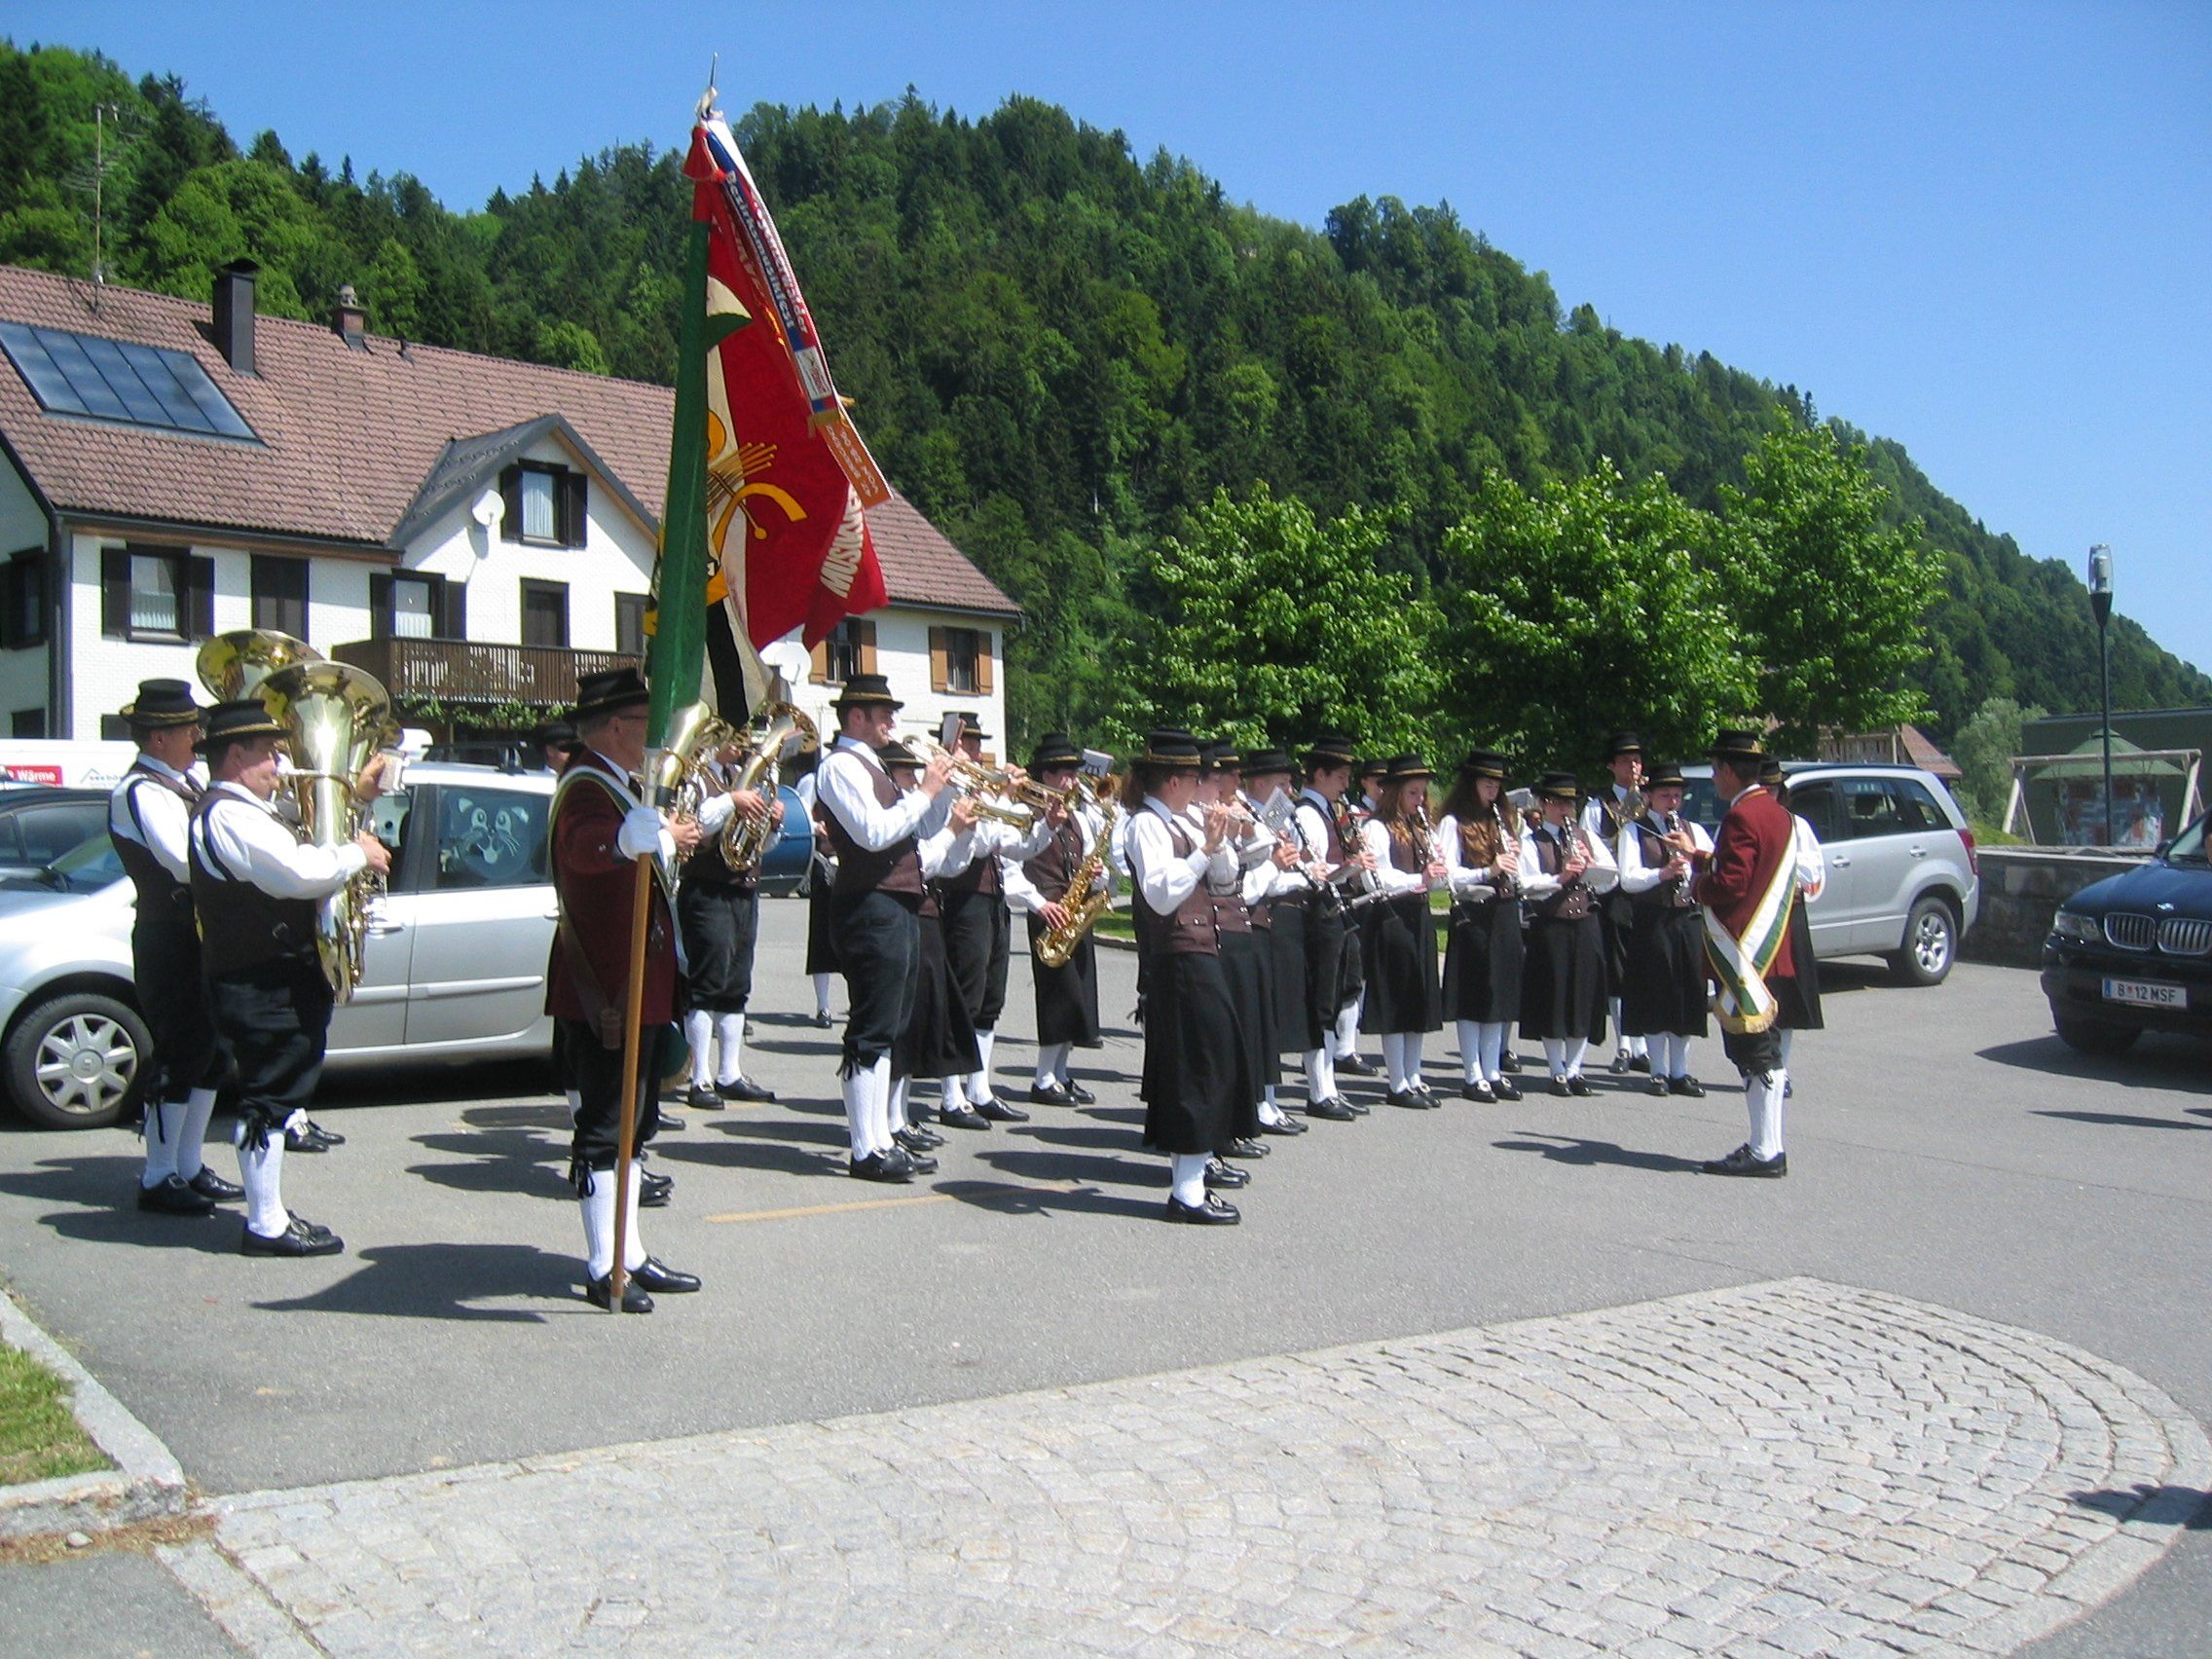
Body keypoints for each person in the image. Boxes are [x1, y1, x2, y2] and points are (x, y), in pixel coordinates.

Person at [189, 699, 391, 1257]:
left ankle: (269, 1214)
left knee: (274, 1095)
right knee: (268, 1098)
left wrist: (357, 803)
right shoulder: (231, 815)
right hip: (260, 979)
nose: (279, 765)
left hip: (267, 974)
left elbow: (307, 847)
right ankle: (265, 1223)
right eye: (268, 754)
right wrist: (358, 854)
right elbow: (298, 874)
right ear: (236, 756)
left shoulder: (246, 810)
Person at [545, 667, 704, 1309]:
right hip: (606, 988)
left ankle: (629, 1252)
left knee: (635, 1129)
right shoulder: (586, 785)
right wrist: (620, 840)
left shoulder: (619, 783)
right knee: (606, 1130)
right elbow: (582, 848)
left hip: (639, 982)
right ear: (616, 726)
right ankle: (601, 1265)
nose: (655, 736)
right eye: (646, 723)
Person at [815, 673, 954, 1182]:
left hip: (895, 904)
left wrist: (946, 815)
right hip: (869, 906)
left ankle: (881, 1139)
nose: (892, 723)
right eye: (884, 714)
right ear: (857, 716)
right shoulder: (839, 766)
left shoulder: (875, 765)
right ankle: (864, 1148)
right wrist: (926, 793)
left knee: (891, 1027)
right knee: (872, 1028)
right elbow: (873, 834)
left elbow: (903, 841)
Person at [109, 680, 235, 1215]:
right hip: (169, 937)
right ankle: (158, 1175)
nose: (198, 738)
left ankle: (187, 1165)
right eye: (190, 730)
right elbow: (182, 860)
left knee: (212, 1052)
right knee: (179, 1051)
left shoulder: (185, 783)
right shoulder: (141, 791)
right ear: (159, 738)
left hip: (199, 935)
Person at [1124, 730, 1248, 1224]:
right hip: (1177, 957)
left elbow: (1225, 880)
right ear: (1174, 781)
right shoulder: (1146, 825)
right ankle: (1187, 1193)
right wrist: (1204, 849)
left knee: (1207, 1063)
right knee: (1196, 1069)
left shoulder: (1183, 820)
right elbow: (1160, 895)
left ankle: (1191, 1184)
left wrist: (1219, 842)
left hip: (1199, 952)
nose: (1203, 787)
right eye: (1196, 778)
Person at [1667, 730, 1803, 1177]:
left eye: (1715, 769)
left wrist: (1697, 887)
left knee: (1754, 1054)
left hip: (1746, 954)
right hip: (1771, 950)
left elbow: (1733, 883)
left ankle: (1765, 1150)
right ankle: (1768, 1144)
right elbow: (1748, 869)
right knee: (1766, 1052)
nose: (1713, 777)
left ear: (1728, 770)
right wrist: (1699, 857)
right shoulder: (1779, 814)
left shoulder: (1741, 816)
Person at [939, 718, 1048, 1123]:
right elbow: (981, 841)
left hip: (993, 897)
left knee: (989, 1000)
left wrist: (1046, 822)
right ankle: (951, 1096)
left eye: (978, 745)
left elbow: (1014, 846)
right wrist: (1003, 797)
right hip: (963, 896)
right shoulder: (950, 789)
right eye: (967, 745)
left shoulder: (981, 790)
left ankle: (979, 1087)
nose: (976, 753)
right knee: (965, 996)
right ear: (951, 747)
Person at [1001, 734, 1108, 1105]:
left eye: (1074, 773)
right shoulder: (1024, 814)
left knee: (1078, 997)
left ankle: (1061, 1073)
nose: (1072, 780)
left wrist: (1097, 875)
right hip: (1048, 911)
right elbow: (1010, 869)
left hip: (1076, 910)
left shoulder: (1080, 817)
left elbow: (1094, 863)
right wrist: (1038, 904)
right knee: (1057, 997)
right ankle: (1043, 1078)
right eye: (1065, 773)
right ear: (1046, 775)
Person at [676, 736, 778, 1109]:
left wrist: (772, 822)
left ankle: (729, 1073)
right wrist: (732, 800)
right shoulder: (695, 778)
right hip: (707, 889)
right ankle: (699, 1077)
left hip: (742, 889)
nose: (742, 745)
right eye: (734, 738)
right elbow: (696, 825)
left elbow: (761, 845)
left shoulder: (741, 776)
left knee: (737, 983)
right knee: (707, 982)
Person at [1288, 733, 1374, 1122]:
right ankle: (1319, 1091)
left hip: (1333, 912)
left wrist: (1354, 866)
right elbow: (1314, 872)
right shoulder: (1308, 813)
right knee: (1321, 1003)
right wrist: (1348, 868)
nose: (1345, 784)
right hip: (1318, 916)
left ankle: (1329, 1087)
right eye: (1340, 777)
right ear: (1319, 774)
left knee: (1336, 997)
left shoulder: (1326, 810)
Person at [1614, 761, 1713, 1097]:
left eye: (1676, 796)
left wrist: (1692, 869)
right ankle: (1657, 1071)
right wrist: (1662, 873)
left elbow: (1712, 867)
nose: (1672, 802)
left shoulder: (1693, 831)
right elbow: (1628, 879)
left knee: (1686, 993)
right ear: (1650, 797)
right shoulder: (1635, 831)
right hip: (1653, 919)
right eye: (1665, 795)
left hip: (1687, 919)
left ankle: (1680, 1071)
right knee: (1656, 993)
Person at [1519, 770, 1618, 1094]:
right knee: (1555, 994)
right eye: (1559, 803)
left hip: (1586, 923)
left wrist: (1592, 868)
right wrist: (1559, 878)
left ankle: (1575, 1069)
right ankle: (1556, 1070)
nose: (1565, 810)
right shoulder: (1531, 841)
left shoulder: (1586, 837)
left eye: (1569, 804)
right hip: (1551, 925)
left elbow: (1612, 879)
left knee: (1583, 995)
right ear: (1545, 805)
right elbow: (1525, 885)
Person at [1356, 756, 1448, 1107]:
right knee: (1396, 1000)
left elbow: (1435, 880)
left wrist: (1437, 873)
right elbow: (1375, 879)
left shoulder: (1420, 828)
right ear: (1394, 792)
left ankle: (1414, 1076)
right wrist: (1418, 879)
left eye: (1422, 793)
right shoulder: (1376, 828)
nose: (1420, 800)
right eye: (1412, 793)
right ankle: (1397, 1082)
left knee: (1417, 997)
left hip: (1418, 916)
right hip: (1391, 917)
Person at [1437, 749, 1526, 1103]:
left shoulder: (1501, 819)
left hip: (1503, 911)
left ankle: (1493, 1070)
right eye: (1486, 782)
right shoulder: (1453, 822)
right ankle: (1473, 1073)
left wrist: (1514, 860)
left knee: (1498, 994)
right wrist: (1488, 870)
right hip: (1473, 912)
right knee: (1473, 995)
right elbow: (1447, 875)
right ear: (1471, 783)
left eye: (1497, 783)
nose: (1493, 788)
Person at [1238, 747, 1310, 1137]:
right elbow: (1251, 883)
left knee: (1266, 1016)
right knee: (1255, 1016)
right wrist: (1280, 866)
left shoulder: (1270, 817)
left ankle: (1267, 1100)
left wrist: (1304, 873)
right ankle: (1257, 1103)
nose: (1289, 791)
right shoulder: (1247, 819)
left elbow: (1275, 878)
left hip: (1267, 919)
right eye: (1282, 784)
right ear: (1261, 783)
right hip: (1247, 922)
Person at [1581, 731, 1647, 1075]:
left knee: (1645, 967)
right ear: (1611, 766)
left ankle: (1643, 1046)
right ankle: (1624, 1045)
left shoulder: (1652, 800)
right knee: (1619, 969)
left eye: (1636, 760)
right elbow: (1588, 848)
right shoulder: (1597, 806)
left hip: (1649, 893)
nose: (1632, 766)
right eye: (1624, 761)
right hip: (1616, 894)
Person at [1762, 758, 1825, 1096]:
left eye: (1772, 789)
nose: (1767, 795)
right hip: (1758, 923)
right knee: (1760, 997)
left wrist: (1781, 867)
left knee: (1788, 999)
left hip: (1789, 917)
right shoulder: (1741, 824)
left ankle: (1782, 1069)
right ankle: (1762, 1065)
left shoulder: (1797, 826)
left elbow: (1814, 871)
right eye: (1762, 789)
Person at [1333, 757, 1388, 1079]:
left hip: (1382, 897)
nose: (1383, 789)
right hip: (1357, 898)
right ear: (1365, 782)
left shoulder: (1392, 816)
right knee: (1353, 973)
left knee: (1365, 973)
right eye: (1378, 782)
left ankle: (1348, 1042)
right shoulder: (1352, 813)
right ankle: (1344, 1047)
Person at [792, 755, 838, 1027]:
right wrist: (815, 826)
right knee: (822, 937)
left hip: (851, 863)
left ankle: (857, 1004)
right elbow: (799, 818)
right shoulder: (814, 780)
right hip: (825, 862)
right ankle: (823, 1006)